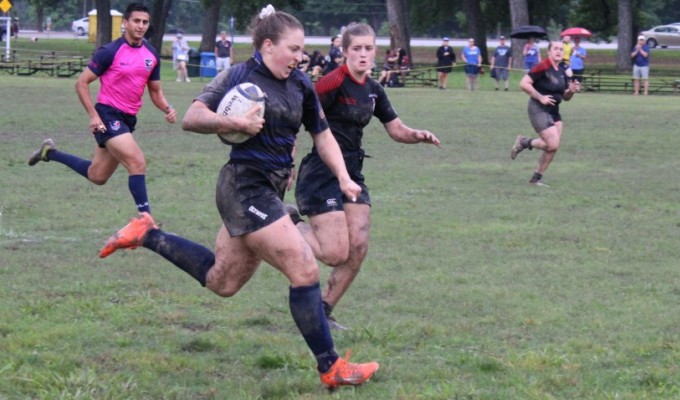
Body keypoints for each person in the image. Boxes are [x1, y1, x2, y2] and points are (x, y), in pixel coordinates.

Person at [98, 5, 379, 388]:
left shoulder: (300, 85)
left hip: (271, 188)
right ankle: (331, 368)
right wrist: (235, 122)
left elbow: (322, 134)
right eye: (293, 49)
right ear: (267, 45)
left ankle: (146, 233)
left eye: (302, 50)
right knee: (305, 268)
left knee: (222, 282)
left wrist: (344, 178)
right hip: (243, 185)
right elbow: (192, 117)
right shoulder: (240, 76)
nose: (300, 57)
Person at [290, 22, 441, 330]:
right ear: (344, 52)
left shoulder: (374, 90)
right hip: (322, 172)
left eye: (368, 48)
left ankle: (323, 310)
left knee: (357, 247)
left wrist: (417, 134)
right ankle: (287, 221)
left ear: (375, 51)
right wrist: (287, 158)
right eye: (356, 48)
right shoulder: (332, 83)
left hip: (353, 173)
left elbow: (396, 129)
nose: (363, 54)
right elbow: (297, 116)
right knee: (334, 253)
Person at [27, 2, 177, 219]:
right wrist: (93, 115)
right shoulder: (110, 51)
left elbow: (155, 91)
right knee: (137, 162)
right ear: (125, 23)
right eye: (136, 21)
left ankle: (50, 153)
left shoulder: (151, 54)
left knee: (97, 176)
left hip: (128, 119)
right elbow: (81, 83)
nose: (141, 26)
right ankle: (146, 219)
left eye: (145, 22)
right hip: (107, 115)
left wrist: (168, 108)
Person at [510, 40, 581, 187]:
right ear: (549, 51)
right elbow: (524, 83)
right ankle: (524, 142)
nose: (558, 51)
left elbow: (565, 98)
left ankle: (535, 179)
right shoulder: (542, 66)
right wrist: (540, 97)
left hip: (554, 111)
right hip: (538, 109)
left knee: (552, 147)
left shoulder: (562, 71)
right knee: (553, 143)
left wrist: (571, 91)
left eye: (561, 49)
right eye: (555, 48)